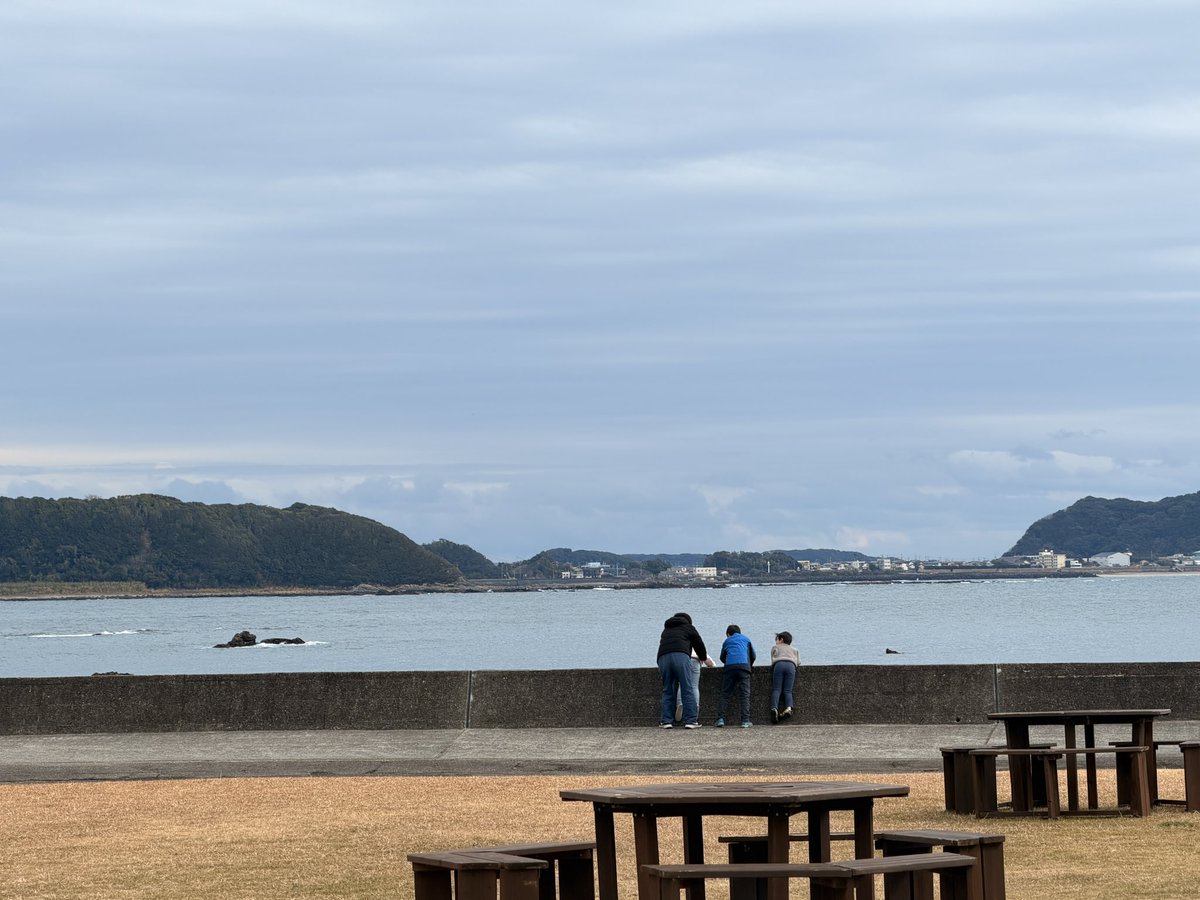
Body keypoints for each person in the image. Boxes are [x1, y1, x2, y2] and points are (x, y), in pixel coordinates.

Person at [656, 612, 708, 729]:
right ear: (688, 620)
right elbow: (699, 644)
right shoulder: (688, 627)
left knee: (667, 688)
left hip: (663, 658)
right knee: (687, 687)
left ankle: (666, 721)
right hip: (680, 656)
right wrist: (703, 658)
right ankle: (690, 720)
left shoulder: (666, 630)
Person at [672, 613, 716, 721]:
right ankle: (695, 706)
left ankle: (680, 704)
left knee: (682, 685)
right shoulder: (693, 637)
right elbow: (707, 660)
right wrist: (713, 666)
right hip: (696, 661)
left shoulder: (678, 639)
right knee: (694, 686)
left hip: (683, 659)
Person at [715, 624, 755, 727]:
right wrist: (748, 666)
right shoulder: (746, 639)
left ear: (728, 634)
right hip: (744, 668)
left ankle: (720, 719)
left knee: (725, 694)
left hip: (729, 668)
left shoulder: (727, 641)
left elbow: (722, 657)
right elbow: (753, 655)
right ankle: (745, 720)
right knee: (745, 695)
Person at [770, 630, 800, 724]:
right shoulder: (795, 650)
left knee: (776, 689)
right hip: (791, 666)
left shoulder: (775, 647)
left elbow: (772, 658)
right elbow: (798, 662)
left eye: (777, 639)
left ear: (781, 640)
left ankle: (774, 708)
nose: (776, 642)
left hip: (779, 665)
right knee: (788, 690)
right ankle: (788, 708)